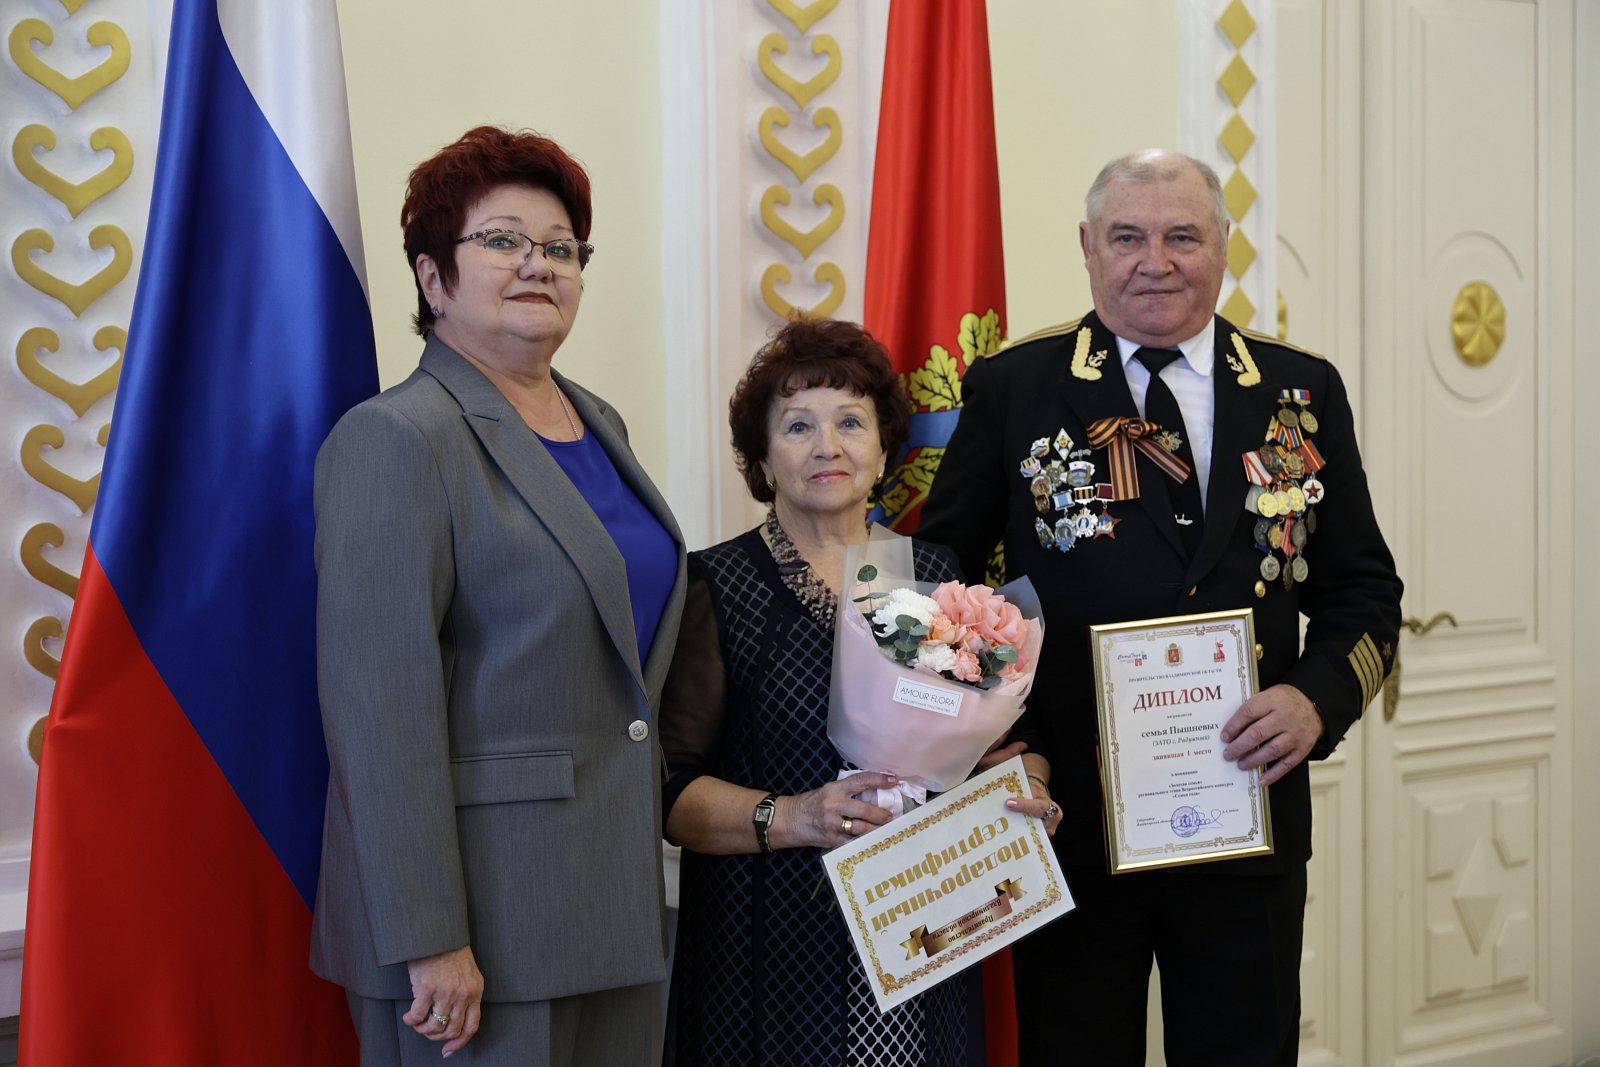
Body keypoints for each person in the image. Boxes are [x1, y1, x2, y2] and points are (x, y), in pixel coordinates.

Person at [919, 149, 1403, 1066]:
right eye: (1127, 238)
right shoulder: (1017, 389)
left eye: (1183, 236)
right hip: (1067, 818)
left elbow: (1365, 593)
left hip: (1246, 820)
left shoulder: (1299, 390)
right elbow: (942, 584)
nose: (1156, 262)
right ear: (1087, 247)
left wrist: (1317, 699)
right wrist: (991, 738)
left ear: (1223, 244)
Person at [310, 126, 685, 1065]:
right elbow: (378, 714)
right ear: (433, 278)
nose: (538, 264)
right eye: (503, 241)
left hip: (614, 898)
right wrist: (428, 935)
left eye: (561, 247)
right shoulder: (398, 438)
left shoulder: (600, 421)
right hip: (479, 931)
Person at [657, 317, 1058, 1066]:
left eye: (850, 422)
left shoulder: (939, 576)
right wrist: (797, 816)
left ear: (882, 451)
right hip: (771, 954)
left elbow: (989, 747)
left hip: (927, 932)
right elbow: (671, 791)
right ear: (763, 459)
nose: (827, 446)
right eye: (797, 425)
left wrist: (1028, 785)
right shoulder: (717, 584)